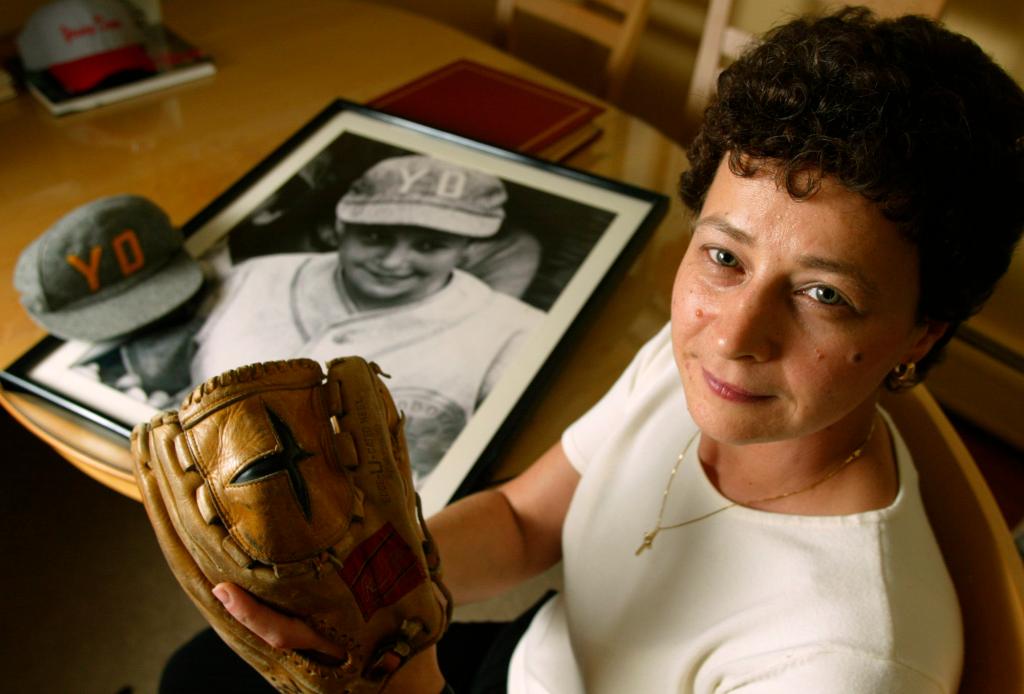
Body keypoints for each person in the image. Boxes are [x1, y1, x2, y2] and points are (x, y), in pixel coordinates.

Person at [161, 8, 1024, 693]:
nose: (729, 335)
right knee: (197, 669)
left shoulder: (846, 662)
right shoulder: (689, 362)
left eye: (824, 295)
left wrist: (397, 681)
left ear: (920, 334)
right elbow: (524, 521)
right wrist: (375, 594)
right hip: (537, 664)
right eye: (724, 256)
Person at [189, 154, 543, 479]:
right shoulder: (254, 277)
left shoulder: (518, 333)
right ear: (340, 226)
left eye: (429, 245)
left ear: (467, 248)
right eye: (375, 236)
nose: (393, 261)